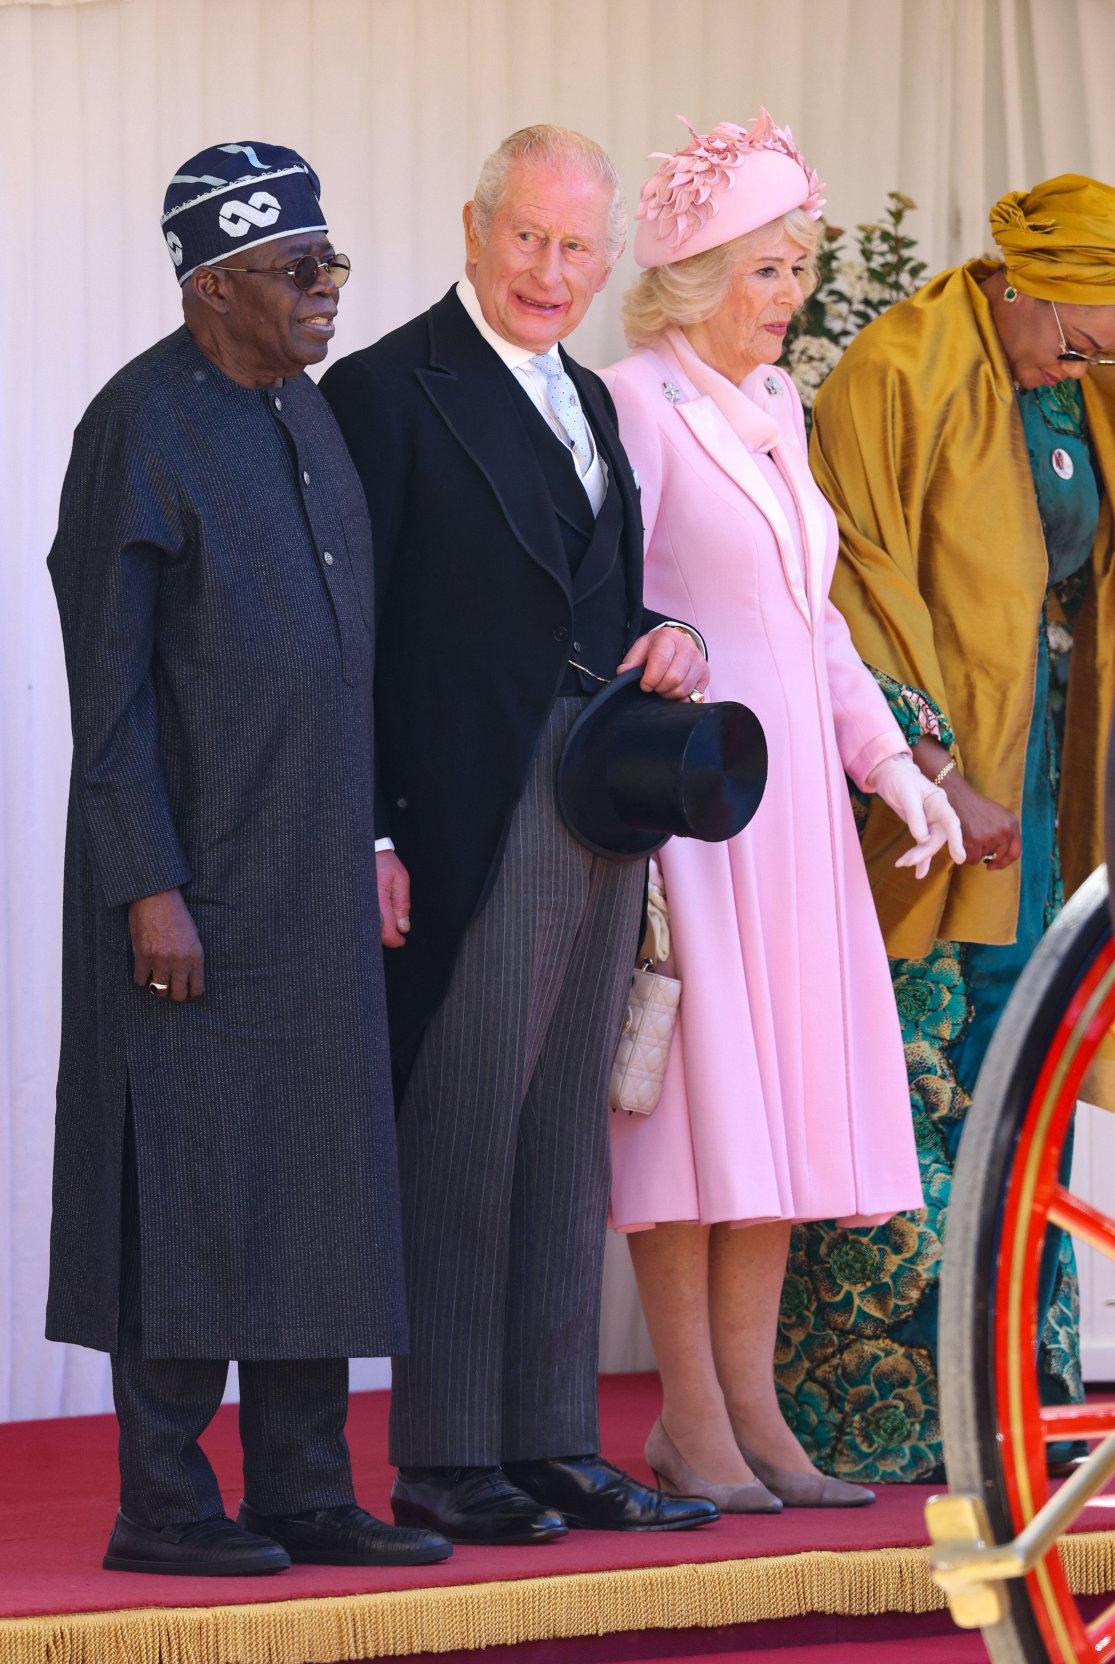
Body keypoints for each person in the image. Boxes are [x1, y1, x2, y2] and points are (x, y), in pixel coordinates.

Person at [47, 141, 449, 1575]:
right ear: (212, 284)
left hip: (320, 881)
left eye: (332, 264)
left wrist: (381, 839)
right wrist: (145, 880)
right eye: (298, 271)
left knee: (317, 1190)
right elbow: (111, 687)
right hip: (195, 891)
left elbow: (350, 667)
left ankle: (303, 1492)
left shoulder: (311, 419)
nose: (327, 291)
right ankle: (163, 1509)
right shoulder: (138, 430)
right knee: (190, 1191)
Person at [320, 125, 719, 1546]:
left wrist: (665, 637)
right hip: (464, 807)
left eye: (576, 247)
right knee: (467, 1122)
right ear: (476, 229)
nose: (551, 270)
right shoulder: (382, 391)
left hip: (600, 804)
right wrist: (364, 832)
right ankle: (445, 1459)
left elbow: (597, 607)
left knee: (566, 1140)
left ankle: (551, 1441)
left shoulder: (592, 403)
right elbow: (343, 634)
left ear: (609, 260)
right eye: (528, 238)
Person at [777, 173, 1115, 1483]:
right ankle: (899, 1412)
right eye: (1077, 342)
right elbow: (853, 585)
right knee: (925, 1079)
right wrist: (940, 764)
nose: (1087, 372)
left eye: (1110, 355)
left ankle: (1031, 1378)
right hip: (929, 795)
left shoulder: (1079, 389)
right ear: (1024, 284)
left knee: (1036, 1059)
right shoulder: (897, 373)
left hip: (1056, 768)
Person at [600, 111, 964, 1512]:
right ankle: (689, 1416)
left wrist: (894, 771)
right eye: (769, 268)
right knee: (698, 1118)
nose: (793, 295)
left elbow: (815, 632)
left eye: (800, 265)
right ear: (695, 276)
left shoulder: (782, 409)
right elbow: (600, 601)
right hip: (693, 807)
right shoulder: (636, 400)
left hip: (796, 814)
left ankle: (755, 1417)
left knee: (776, 1118)